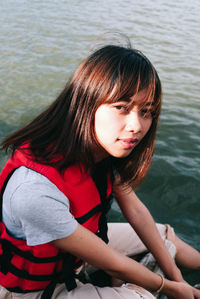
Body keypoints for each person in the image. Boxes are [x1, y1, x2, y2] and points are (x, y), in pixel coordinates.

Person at [0, 44, 200, 299]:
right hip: (32, 292)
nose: (136, 126)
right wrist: (168, 288)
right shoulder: (34, 191)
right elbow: (111, 263)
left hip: (72, 260)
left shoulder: (99, 152)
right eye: (121, 107)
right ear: (87, 101)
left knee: (164, 236)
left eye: (146, 112)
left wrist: (178, 279)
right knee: (143, 297)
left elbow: (137, 212)